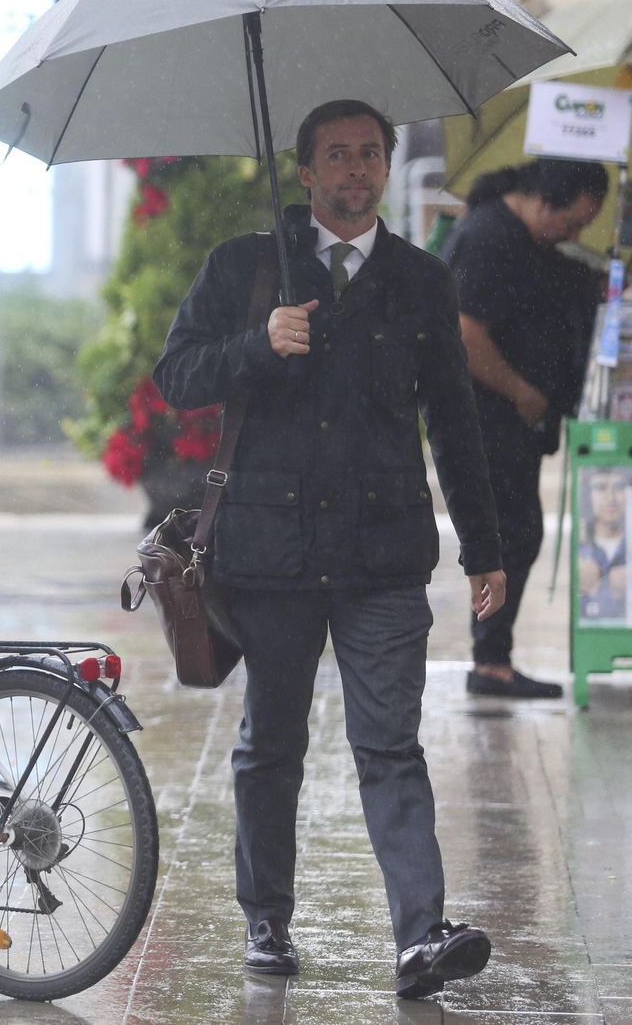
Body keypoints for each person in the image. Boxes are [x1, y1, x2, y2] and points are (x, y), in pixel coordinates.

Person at [154, 100, 507, 1000]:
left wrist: (485, 547)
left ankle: (420, 936)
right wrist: (257, 344)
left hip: (384, 554)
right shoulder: (244, 267)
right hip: (268, 554)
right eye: (337, 155)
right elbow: (178, 375)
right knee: (271, 744)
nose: (356, 169)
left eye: (371, 154)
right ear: (304, 171)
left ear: (387, 168)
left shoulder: (421, 279)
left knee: (391, 744)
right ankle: (267, 919)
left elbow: (456, 423)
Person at [442, 158, 608, 697]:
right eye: (571, 223)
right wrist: (524, 393)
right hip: (489, 418)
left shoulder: (524, 240)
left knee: (517, 532)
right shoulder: (490, 238)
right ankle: (490, 662)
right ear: (542, 201)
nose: (572, 235)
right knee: (510, 533)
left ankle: (494, 658)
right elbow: (464, 332)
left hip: (514, 422)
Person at [578, 467, 629, 622]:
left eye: (619, 487)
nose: (611, 498)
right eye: (600, 487)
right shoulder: (580, 546)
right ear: (588, 494)